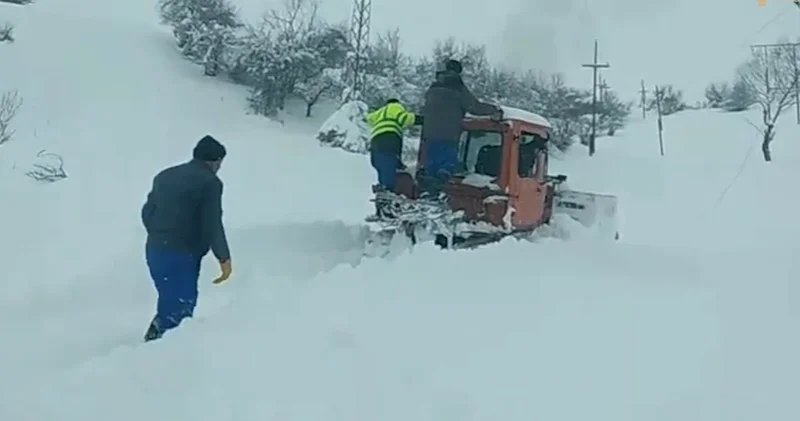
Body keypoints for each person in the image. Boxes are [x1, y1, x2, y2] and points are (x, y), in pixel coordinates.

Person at [140, 134, 232, 341]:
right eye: (220, 162)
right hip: (182, 254)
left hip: (154, 250)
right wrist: (224, 258)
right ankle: (162, 351)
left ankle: (156, 337)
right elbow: (213, 223)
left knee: (169, 299)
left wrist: (159, 234)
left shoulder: (164, 176)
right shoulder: (211, 183)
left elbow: (147, 212)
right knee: (182, 305)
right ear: (215, 161)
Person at [419, 59, 502, 192]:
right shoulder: (457, 87)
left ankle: (430, 191)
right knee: (447, 166)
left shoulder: (433, 88)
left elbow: (425, 108)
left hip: (429, 134)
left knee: (432, 165)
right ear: (458, 71)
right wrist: (493, 110)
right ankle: (443, 181)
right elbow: (474, 107)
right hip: (448, 134)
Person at [365, 98, 423, 193]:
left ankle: (383, 185)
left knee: (380, 164)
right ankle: (389, 187)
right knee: (389, 161)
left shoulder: (379, 112)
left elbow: (368, 118)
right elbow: (404, 118)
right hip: (389, 138)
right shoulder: (395, 107)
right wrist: (422, 120)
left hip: (375, 140)